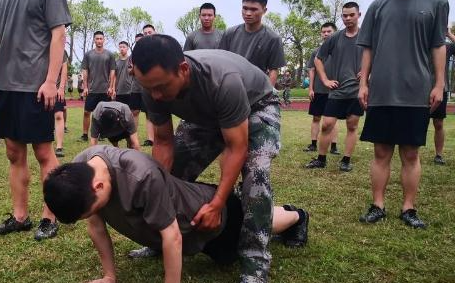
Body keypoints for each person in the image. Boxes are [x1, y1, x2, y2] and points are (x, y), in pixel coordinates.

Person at [131, 35, 298, 283]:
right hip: (209, 117)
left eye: (162, 87)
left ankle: (255, 260)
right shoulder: (151, 87)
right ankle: (163, 237)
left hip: (257, 106)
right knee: (170, 174)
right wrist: (162, 188)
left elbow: (236, 147)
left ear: (183, 70)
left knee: (256, 176)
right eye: (149, 87)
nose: (155, 96)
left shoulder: (221, 80)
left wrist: (217, 203)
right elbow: (164, 142)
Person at [44, 146, 309, 283]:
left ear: (98, 187)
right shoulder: (80, 169)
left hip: (213, 219)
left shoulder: (140, 175)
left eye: (93, 210)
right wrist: (109, 276)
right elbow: (96, 227)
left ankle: (297, 216)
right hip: (185, 229)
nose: (94, 216)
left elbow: (172, 238)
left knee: (258, 226)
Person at [0, 0, 72, 240]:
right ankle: (20, 216)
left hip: (36, 86)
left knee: (44, 153)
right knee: (13, 153)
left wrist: (50, 81)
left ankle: (50, 216)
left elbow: (58, 34)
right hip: (6, 85)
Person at [357, 0, 449, 229]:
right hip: (382, 90)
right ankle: (378, 204)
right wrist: (363, 83)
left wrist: (439, 84)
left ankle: (409, 208)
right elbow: (367, 47)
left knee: (411, 153)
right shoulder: (378, 6)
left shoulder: (436, 4)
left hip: (415, 91)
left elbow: (438, 46)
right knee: (381, 151)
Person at [304, 2, 363, 172]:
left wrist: (369, 73)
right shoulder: (335, 38)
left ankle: (346, 160)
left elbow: (378, 57)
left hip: (356, 91)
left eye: (351, 15)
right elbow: (317, 59)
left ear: (359, 15)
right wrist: (325, 80)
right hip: (337, 91)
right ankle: (321, 159)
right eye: (345, 15)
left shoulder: (367, 36)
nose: (348, 18)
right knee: (326, 125)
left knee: (352, 126)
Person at [219, 0, 286, 86]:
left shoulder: (273, 39)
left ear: (264, 10)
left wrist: (268, 94)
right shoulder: (229, 33)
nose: (248, 13)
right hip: (230, 89)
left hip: (257, 92)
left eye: (254, 9)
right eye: (245, 8)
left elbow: (273, 70)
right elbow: (220, 62)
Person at [304, 22, 340, 154]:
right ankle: (313, 144)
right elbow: (312, 71)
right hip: (319, 90)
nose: (326, 34)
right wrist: (311, 89)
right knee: (316, 118)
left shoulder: (340, 50)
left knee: (333, 120)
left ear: (335, 33)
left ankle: (334, 146)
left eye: (329, 31)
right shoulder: (316, 52)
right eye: (323, 32)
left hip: (335, 90)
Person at [80, 31, 116, 142]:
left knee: (104, 113)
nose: (99, 41)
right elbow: (85, 70)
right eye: (97, 39)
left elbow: (112, 71)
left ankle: (102, 133)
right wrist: (85, 87)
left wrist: (111, 87)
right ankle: (85, 134)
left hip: (105, 90)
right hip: (92, 90)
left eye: (101, 38)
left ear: (104, 40)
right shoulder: (88, 54)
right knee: (87, 112)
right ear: (94, 40)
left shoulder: (109, 55)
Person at [430, 29, 455, 165]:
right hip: (418, 89)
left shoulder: (446, 46)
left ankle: (438, 155)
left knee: (438, 123)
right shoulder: (420, 42)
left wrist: (449, 34)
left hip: (440, 89)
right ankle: (411, 151)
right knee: (416, 121)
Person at [140, 25, 157, 146]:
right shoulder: (141, 50)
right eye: (145, 33)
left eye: (149, 32)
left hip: (160, 85)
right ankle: (150, 139)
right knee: (148, 112)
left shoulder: (162, 47)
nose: (147, 34)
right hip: (146, 86)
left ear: (155, 33)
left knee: (162, 112)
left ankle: (162, 138)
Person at [54, 47, 69, 158]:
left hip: (57, 89)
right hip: (41, 89)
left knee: (59, 115)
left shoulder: (61, 51)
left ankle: (59, 147)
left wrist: (61, 88)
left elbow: (64, 68)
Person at [128, 33, 145, 131]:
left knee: (150, 114)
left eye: (140, 41)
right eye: (137, 41)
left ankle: (151, 139)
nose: (138, 43)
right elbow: (129, 72)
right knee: (134, 112)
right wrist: (135, 68)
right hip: (135, 88)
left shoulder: (150, 53)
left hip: (148, 88)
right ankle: (133, 134)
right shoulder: (132, 56)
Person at [114, 41, 132, 106]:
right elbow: (114, 76)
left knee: (130, 112)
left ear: (127, 48)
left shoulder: (131, 60)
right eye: (120, 47)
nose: (122, 49)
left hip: (130, 91)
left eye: (124, 47)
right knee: (119, 112)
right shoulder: (116, 62)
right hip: (119, 91)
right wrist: (113, 89)